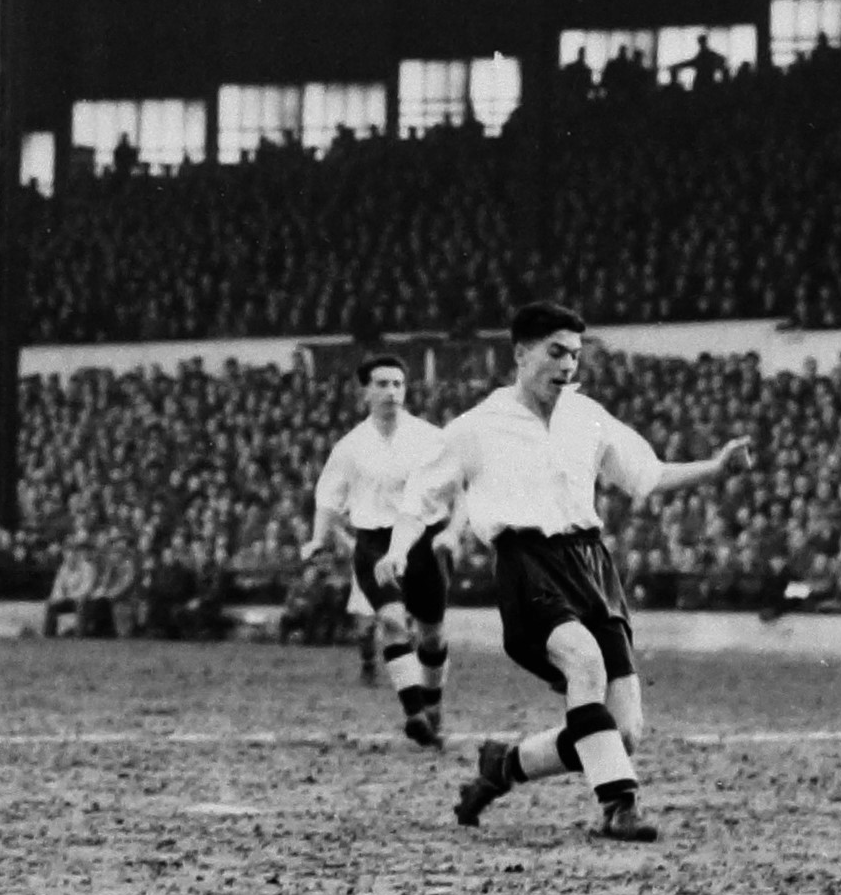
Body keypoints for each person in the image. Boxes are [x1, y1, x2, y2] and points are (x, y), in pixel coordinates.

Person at [389, 301, 753, 844]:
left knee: (623, 731)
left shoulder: (589, 417)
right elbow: (420, 497)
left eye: (575, 356)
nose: (567, 366)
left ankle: (504, 766)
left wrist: (717, 467)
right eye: (556, 353)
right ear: (520, 353)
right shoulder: (477, 426)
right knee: (583, 663)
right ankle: (618, 806)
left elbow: (648, 476)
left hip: (591, 567)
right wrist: (398, 548)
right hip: (525, 564)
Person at [310, 352, 452, 747]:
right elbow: (328, 498)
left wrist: (452, 531)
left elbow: (455, 488)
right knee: (391, 621)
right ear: (365, 392)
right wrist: (319, 539)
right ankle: (414, 715)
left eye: (398, 384)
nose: (392, 391)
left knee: (432, 635)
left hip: (424, 542)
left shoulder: (429, 437)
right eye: (382, 384)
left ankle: (433, 701)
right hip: (374, 541)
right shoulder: (350, 446)